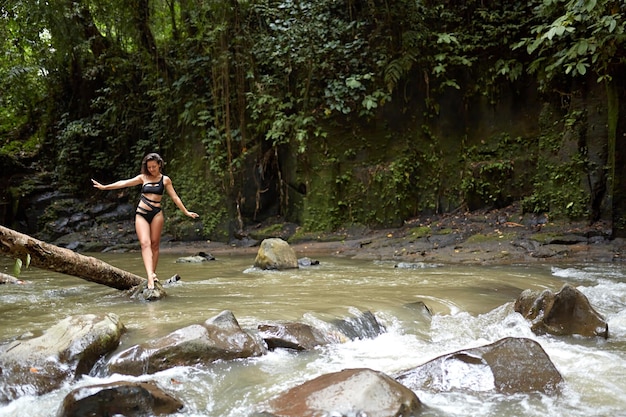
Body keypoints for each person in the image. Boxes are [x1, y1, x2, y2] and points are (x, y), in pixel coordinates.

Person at [92, 153, 199, 289]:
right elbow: (124, 183)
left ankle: (153, 273)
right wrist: (105, 187)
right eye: (149, 167)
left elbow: (175, 197)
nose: (151, 169)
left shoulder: (165, 180)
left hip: (157, 214)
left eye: (154, 166)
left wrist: (186, 212)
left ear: (159, 165)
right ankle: (149, 276)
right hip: (141, 213)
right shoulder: (143, 177)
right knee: (145, 243)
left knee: (155, 245)